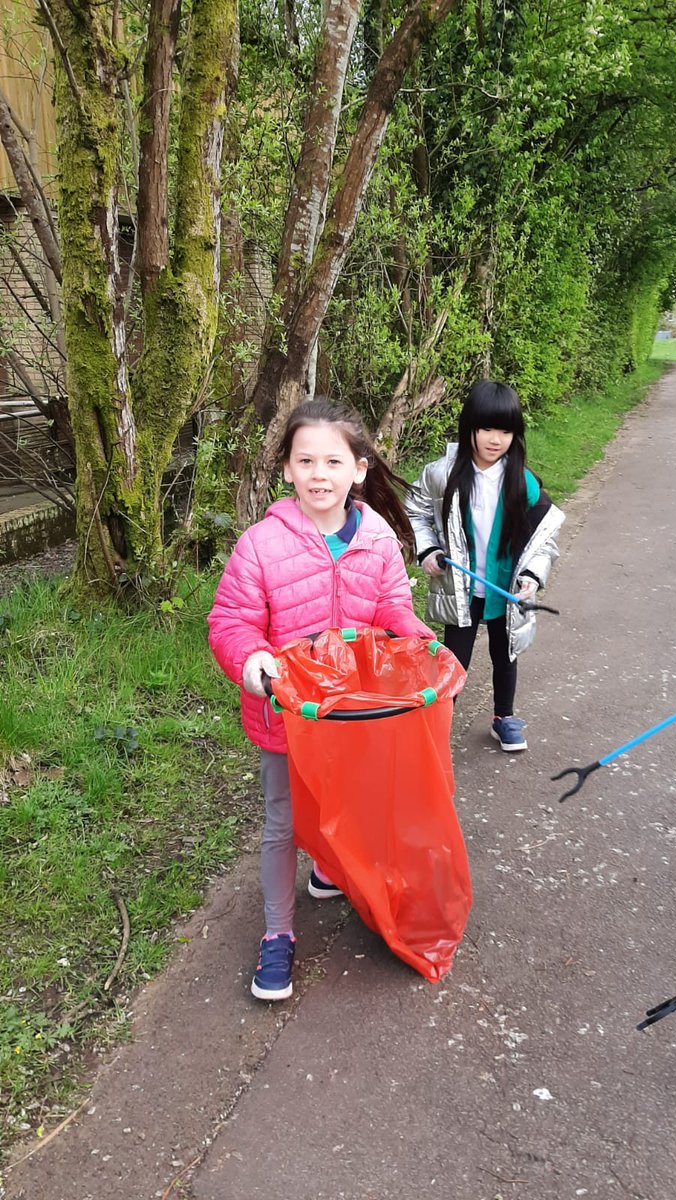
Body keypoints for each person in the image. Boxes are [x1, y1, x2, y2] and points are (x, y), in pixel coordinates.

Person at [208, 398, 433, 1001]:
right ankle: (278, 935)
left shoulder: (380, 537)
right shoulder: (260, 545)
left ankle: (330, 870)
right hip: (286, 718)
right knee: (283, 822)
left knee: (349, 805)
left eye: (333, 460)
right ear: (285, 468)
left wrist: (417, 640)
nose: (319, 474)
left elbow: (392, 608)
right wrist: (253, 660)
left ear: (359, 468)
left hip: (356, 715)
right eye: (305, 460)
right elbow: (231, 621)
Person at [405, 379, 564, 752]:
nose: (495, 439)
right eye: (486, 428)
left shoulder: (523, 482)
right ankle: (439, 723)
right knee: (453, 660)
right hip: (460, 589)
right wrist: (427, 549)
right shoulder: (441, 474)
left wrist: (530, 576)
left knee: (504, 654)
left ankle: (504, 718)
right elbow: (416, 510)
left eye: (505, 430)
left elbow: (544, 538)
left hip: (504, 589)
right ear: (469, 427)